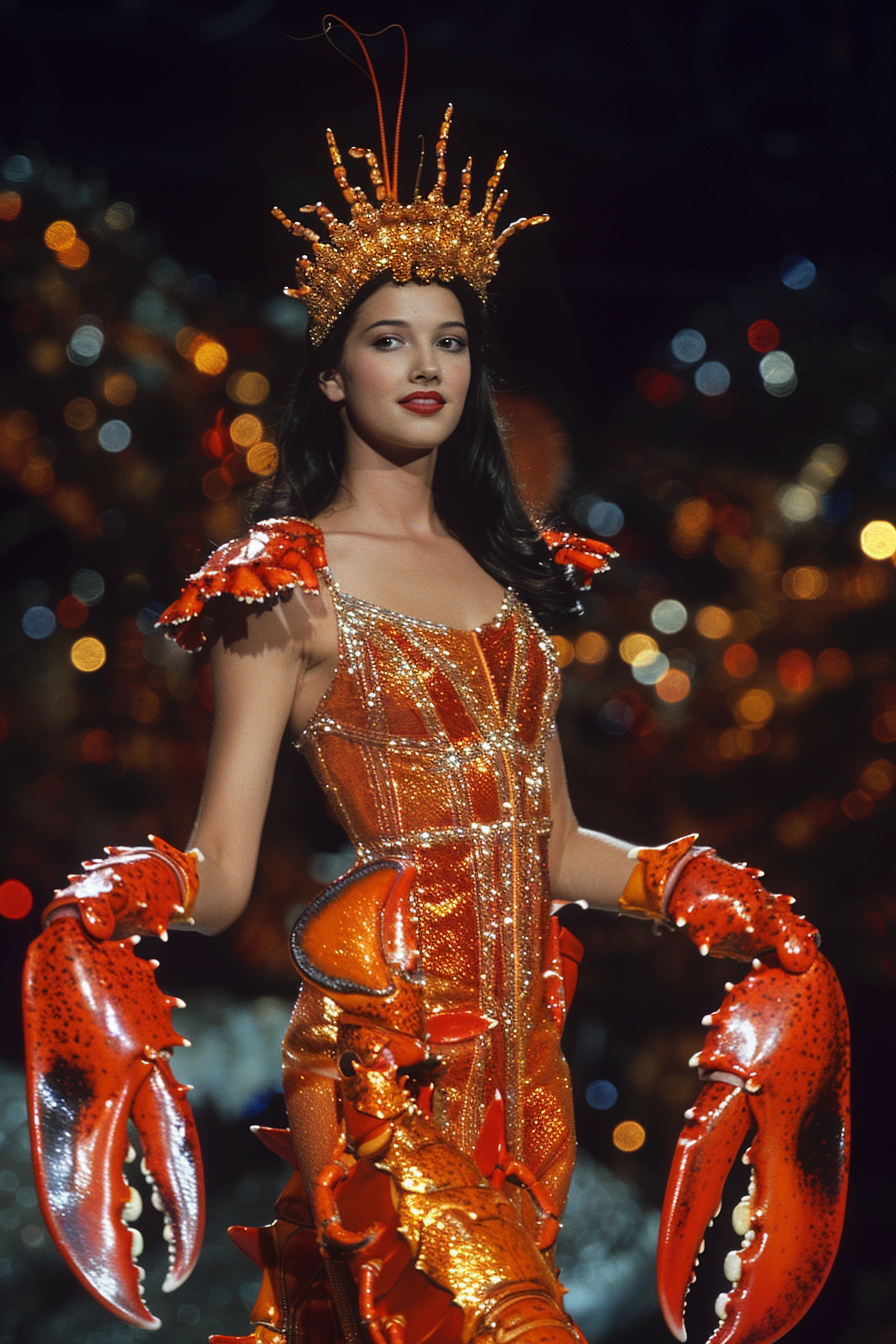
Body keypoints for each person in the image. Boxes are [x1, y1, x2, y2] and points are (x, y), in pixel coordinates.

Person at [23, 40, 845, 1344]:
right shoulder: (280, 584)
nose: (427, 366)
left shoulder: (518, 588)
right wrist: (110, 908)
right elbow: (225, 868)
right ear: (334, 371)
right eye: (389, 338)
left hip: (528, 1062)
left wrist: (690, 887)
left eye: (450, 340)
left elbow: (556, 842)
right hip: (378, 1062)